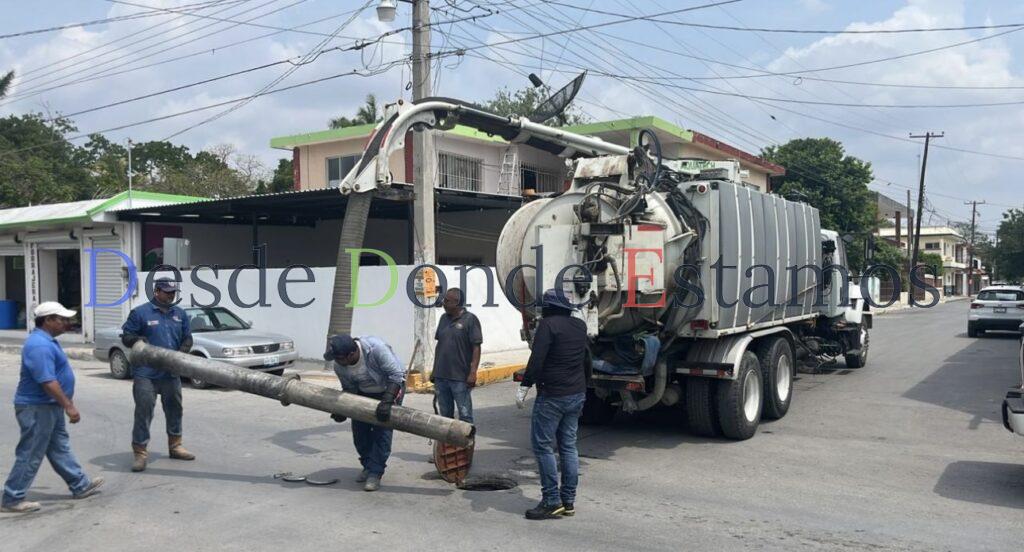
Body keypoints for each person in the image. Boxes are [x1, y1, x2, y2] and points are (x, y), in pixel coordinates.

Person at [2, 302, 104, 513]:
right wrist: (69, 406)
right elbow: (47, 380)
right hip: (37, 407)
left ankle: (80, 484)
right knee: (30, 453)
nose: (67, 323)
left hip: (48, 406)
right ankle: (12, 497)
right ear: (47, 320)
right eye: (62, 319)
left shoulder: (48, 341)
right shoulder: (39, 345)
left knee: (59, 447)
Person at [515, 289, 591, 520]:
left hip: (553, 396)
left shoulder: (547, 326)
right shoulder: (579, 326)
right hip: (576, 393)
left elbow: (537, 358)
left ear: (549, 308)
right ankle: (568, 501)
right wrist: (583, 386)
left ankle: (551, 501)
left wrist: (525, 385)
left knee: (543, 447)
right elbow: (587, 359)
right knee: (568, 446)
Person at [122, 277, 195, 472]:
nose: (171, 295)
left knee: (175, 409)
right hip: (146, 373)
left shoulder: (179, 314)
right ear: (157, 292)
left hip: (170, 373)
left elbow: (188, 338)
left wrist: (182, 353)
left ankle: (175, 445)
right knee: (144, 411)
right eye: (167, 292)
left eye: (173, 292)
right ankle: (140, 452)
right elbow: (127, 337)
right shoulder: (140, 313)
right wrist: (138, 339)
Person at [324, 334, 407, 492]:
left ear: (351, 354)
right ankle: (368, 465)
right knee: (359, 433)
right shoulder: (339, 366)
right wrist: (342, 409)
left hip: (389, 388)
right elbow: (348, 388)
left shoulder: (376, 349)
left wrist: (388, 400)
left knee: (382, 432)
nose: (337, 361)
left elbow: (397, 376)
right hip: (363, 392)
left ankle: (375, 473)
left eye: (339, 358)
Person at [432, 288, 482, 425]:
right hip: (441, 376)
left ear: (457, 303)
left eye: (447, 301)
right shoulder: (443, 319)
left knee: (465, 416)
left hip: (460, 378)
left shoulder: (470, 320)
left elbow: (476, 347)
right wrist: (434, 370)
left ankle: (466, 445)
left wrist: (473, 372)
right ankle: (449, 446)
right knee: (445, 417)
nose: (443, 303)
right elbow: (439, 346)